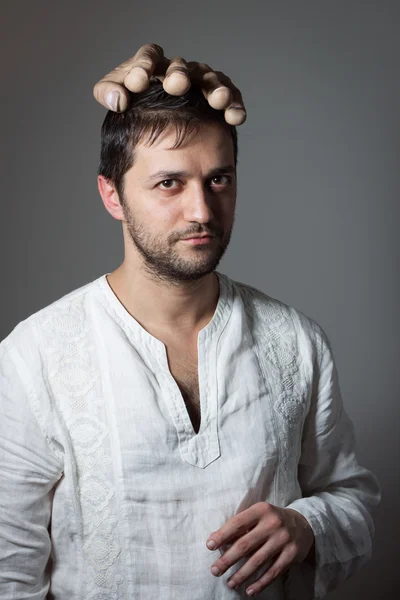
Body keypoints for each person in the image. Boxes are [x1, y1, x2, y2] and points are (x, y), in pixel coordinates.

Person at [0, 44, 380, 600]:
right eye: (169, 183)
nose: (202, 210)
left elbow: (352, 501)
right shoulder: (35, 357)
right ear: (112, 196)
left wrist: (307, 525)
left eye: (219, 180)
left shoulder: (296, 342)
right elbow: (9, 570)